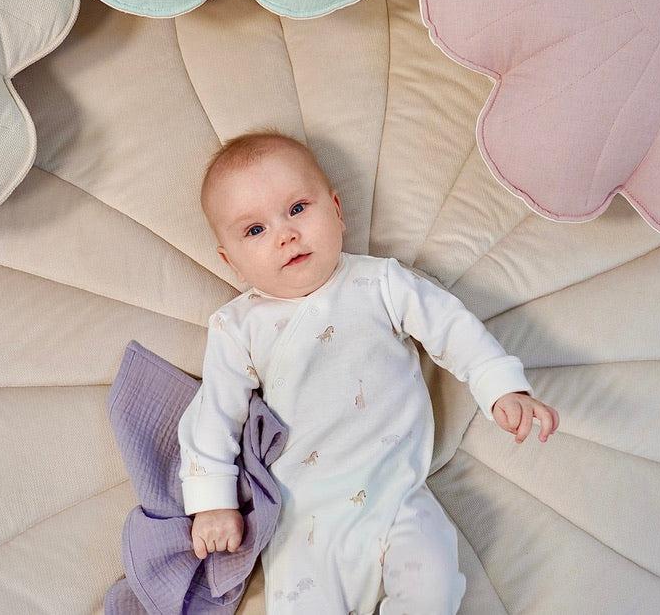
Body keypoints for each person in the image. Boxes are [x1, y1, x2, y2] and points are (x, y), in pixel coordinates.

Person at [178, 130, 559, 614]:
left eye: (297, 209)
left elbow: (451, 327)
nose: (285, 234)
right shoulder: (238, 327)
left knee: (434, 589)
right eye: (255, 231)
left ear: (337, 210)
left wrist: (500, 386)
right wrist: (212, 500)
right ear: (231, 261)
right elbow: (215, 414)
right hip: (305, 519)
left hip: (397, 496)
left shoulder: (379, 282)